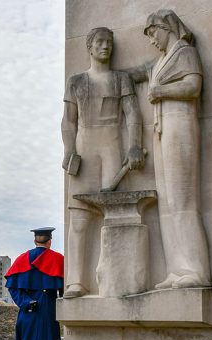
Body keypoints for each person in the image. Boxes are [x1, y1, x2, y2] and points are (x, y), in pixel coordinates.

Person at [126, 9, 211, 289]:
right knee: (168, 203)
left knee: (183, 200)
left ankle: (196, 270)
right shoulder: (161, 61)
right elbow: (136, 74)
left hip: (180, 125)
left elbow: (193, 85)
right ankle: (176, 269)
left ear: (166, 28)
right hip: (162, 131)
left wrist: (161, 92)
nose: (152, 40)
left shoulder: (184, 52)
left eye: (153, 33)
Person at [61, 26, 145, 298]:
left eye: (108, 42)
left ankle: (115, 278)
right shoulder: (76, 81)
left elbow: (133, 114)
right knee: (79, 218)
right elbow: (69, 120)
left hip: (112, 146)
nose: (105, 46)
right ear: (89, 47)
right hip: (85, 147)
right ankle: (75, 281)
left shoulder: (121, 78)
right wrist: (68, 150)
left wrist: (133, 146)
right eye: (99, 41)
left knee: (116, 213)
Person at [5, 227, 65, 340]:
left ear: (35, 241)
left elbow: (13, 287)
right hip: (48, 312)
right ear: (49, 241)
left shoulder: (22, 259)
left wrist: (26, 302)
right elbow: (64, 288)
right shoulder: (57, 259)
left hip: (27, 314)